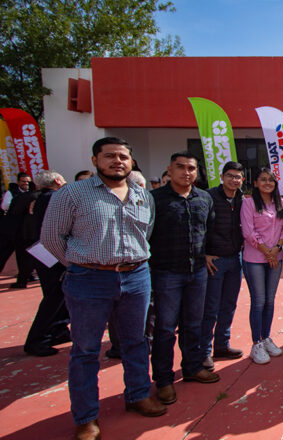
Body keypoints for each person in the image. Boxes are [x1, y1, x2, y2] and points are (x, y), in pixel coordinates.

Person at [41, 137, 166, 440]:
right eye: (109, 156)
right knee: (86, 350)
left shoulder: (142, 195)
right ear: (95, 160)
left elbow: (145, 235)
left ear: (131, 162)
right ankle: (86, 417)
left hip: (136, 277)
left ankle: (138, 394)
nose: (117, 161)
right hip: (89, 279)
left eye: (123, 156)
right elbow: (51, 238)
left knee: (136, 341)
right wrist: (80, 264)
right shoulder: (72, 194)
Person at [150, 151, 218, 408]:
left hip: (198, 271)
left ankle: (192, 367)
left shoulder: (204, 198)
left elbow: (209, 230)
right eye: (181, 167)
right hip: (166, 272)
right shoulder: (154, 199)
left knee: (193, 323)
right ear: (170, 169)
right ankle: (164, 380)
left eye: (191, 168)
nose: (186, 172)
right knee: (165, 329)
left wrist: (209, 254)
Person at [241, 168, 283, 364]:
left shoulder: (282, 203)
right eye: (263, 180)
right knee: (259, 300)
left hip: (275, 257)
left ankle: (266, 337)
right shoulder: (249, 203)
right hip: (255, 259)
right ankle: (256, 343)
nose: (267, 183)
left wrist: (276, 249)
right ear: (256, 183)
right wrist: (266, 251)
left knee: (270, 300)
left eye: (271, 180)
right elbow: (248, 232)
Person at [200, 162, 245, 372]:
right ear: (221, 176)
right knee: (211, 308)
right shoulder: (208, 197)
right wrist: (204, 253)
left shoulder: (242, 199)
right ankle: (203, 351)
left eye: (237, 177)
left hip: (236, 259)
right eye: (230, 176)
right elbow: (200, 227)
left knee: (229, 305)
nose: (234, 180)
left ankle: (222, 345)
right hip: (215, 260)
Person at [23, 170, 69, 357]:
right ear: (57, 181)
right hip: (53, 253)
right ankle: (37, 339)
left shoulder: (39, 198)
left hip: (44, 252)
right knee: (54, 296)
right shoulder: (54, 198)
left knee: (58, 294)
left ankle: (58, 330)